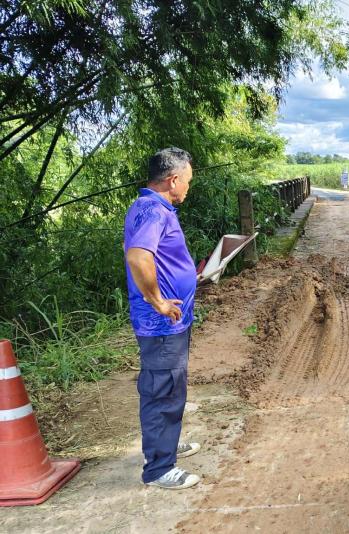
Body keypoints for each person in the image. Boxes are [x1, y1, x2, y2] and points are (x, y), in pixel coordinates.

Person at [124, 147, 202, 490]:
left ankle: (166, 444)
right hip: (160, 324)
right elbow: (138, 257)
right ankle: (158, 469)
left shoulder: (155, 208)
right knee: (162, 389)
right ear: (172, 180)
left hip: (172, 321)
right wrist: (157, 300)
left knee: (172, 386)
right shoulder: (152, 211)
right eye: (187, 181)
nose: (188, 187)